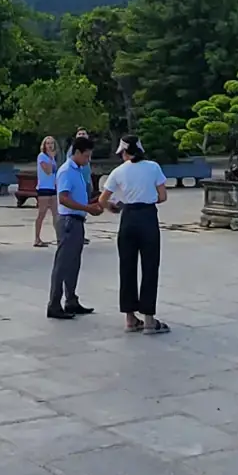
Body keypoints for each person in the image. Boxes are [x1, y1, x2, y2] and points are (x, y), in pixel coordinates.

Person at [102, 138, 168, 333]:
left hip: (128, 217)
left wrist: (113, 207)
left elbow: (102, 199)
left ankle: (130, 318)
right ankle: (149, 319)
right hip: (147, 216)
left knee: (127, 267)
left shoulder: (119, 171)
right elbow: (163, 196)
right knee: (149, 266)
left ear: (124, 153)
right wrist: (147, 197)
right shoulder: (153, 167)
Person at [48, 135, 98, 319]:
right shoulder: (66, 171)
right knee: (62, 264)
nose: (88, 160)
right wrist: (87, 208)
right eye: (86, 156)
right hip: (68, 220)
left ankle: (71, 300)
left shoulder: (78, 170)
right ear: (76, 153)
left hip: (77, 220)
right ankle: (54, 304)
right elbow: (63, 198)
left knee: (73, 263)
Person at [34, 135, 59, 248]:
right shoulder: (42, 157)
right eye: (47, 143)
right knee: (42, 213)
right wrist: (50, 157)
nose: (50, 145)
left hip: (52, 188)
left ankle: (59, 237)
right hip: (43, 188)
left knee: (56, 213)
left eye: (51, 143)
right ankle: (37, 238)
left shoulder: (53, 158)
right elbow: (48, 171)